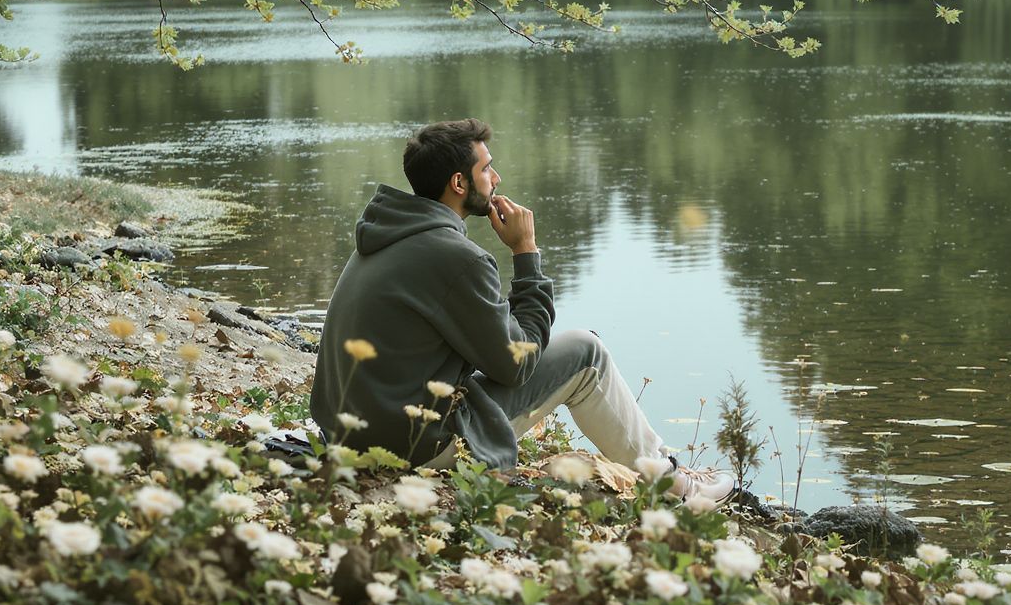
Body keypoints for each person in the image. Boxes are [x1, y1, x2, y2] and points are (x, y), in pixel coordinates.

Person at [310, 118, 737, 506]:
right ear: (459, 183)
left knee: (528, 355)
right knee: (586, 352)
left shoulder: (388, 231)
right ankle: (673, 486)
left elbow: (491, 352)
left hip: (348, 436)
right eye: (486, 170)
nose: (496, 178)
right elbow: (518, 364)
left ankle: (665, 465)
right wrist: (525, 253)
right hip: (414, 446)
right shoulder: (456, 258)